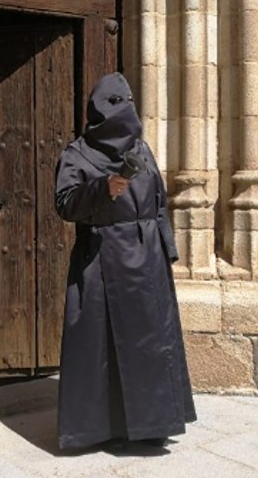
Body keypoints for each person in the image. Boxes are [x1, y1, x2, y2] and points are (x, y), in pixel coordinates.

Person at [54, 72, 196, 450]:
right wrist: (104, 188)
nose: (128, 111)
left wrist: (166, 247)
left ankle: (152, 425)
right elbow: (65, 203)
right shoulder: (77, 153)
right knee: (101, 346)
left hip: (147, 257)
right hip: (103, 259)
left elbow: (159, 201)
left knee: (150, 342)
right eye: (120, 103)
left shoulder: (141, 149)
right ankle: (97, 429)